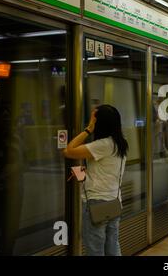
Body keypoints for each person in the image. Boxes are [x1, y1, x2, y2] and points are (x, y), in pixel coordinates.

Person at [63, 105, 128, 256]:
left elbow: (68, 150)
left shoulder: (102, 145)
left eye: (94, 119)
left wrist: (88, 129)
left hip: (97, 203)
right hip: (114, 200)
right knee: (112, 245)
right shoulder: (120, 143)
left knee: (95, 249)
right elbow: (103, 170)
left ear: (100, 123)